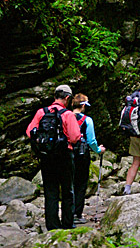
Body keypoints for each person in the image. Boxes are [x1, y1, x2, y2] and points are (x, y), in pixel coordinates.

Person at [26, 84, 82, 230]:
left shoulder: (41, 112)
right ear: (68, 98)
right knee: (67, 191)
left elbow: (29, 131)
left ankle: (52, 226)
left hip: (46, 157)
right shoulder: (68, 114)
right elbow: (75, 137)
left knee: (51, 192)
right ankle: (67, 224)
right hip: (64, 156)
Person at [71, 94, 106, 224]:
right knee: (80, 183)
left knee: (69, 182)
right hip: (81, 153)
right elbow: (91, 140)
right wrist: (98, 150)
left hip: (66, 152)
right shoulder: (87, 120)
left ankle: (67, 213)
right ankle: (77, 214)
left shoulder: (65, 117)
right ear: (83, 105)